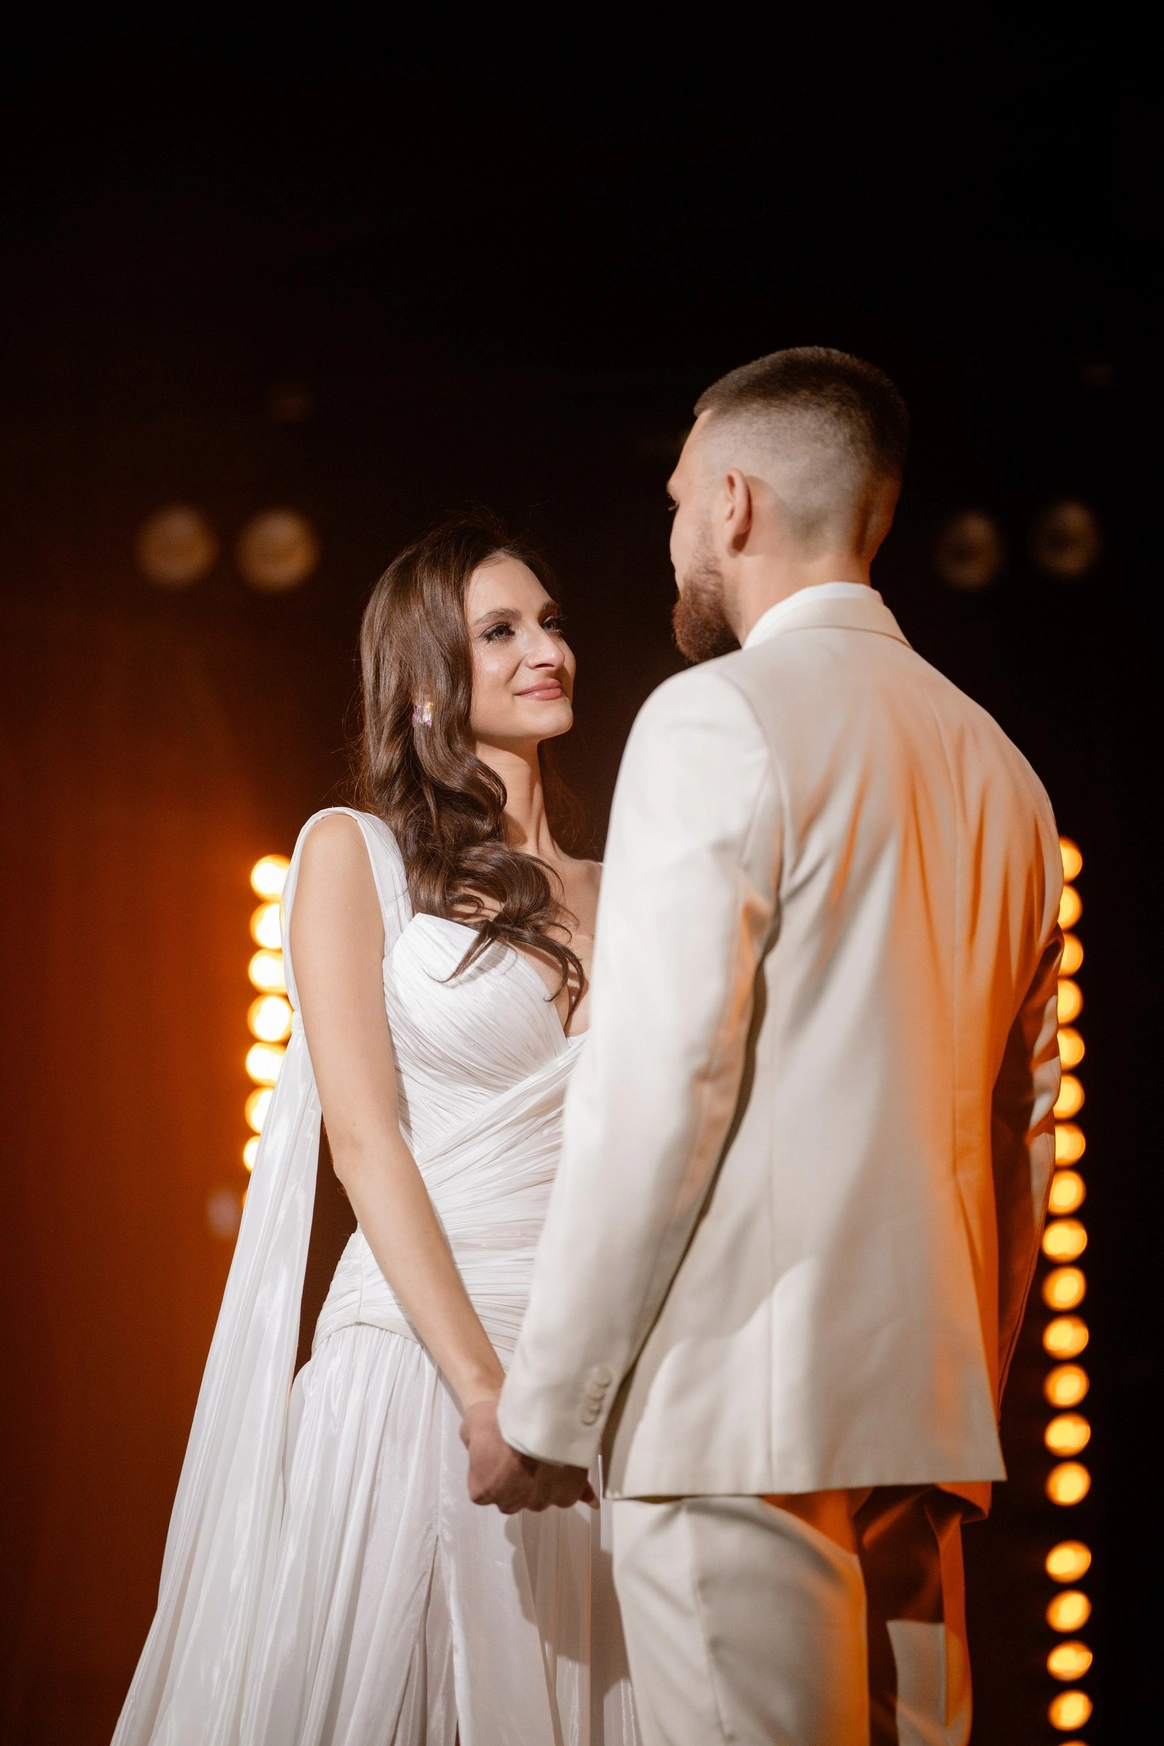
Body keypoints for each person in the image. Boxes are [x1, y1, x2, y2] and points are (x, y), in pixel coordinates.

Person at [464, 348, 1064, 1746]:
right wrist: (958, 1388)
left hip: (736, 1411)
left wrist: (549, 1406)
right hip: (922, 1424)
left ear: (733, 503)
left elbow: (661, 1084)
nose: (675, 533)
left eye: (680, 502)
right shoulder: (1005, 771)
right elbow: (1022, 1134)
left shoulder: (714, 715)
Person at [113, 516, 639, 1746]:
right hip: (420, 1364)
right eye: (499, 631)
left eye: (550, 622)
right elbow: (364, 1142)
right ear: (422, 687)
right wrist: (482, 1393)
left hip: (587, 1378)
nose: (545, 650)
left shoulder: (633, 891)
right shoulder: (355, 857)